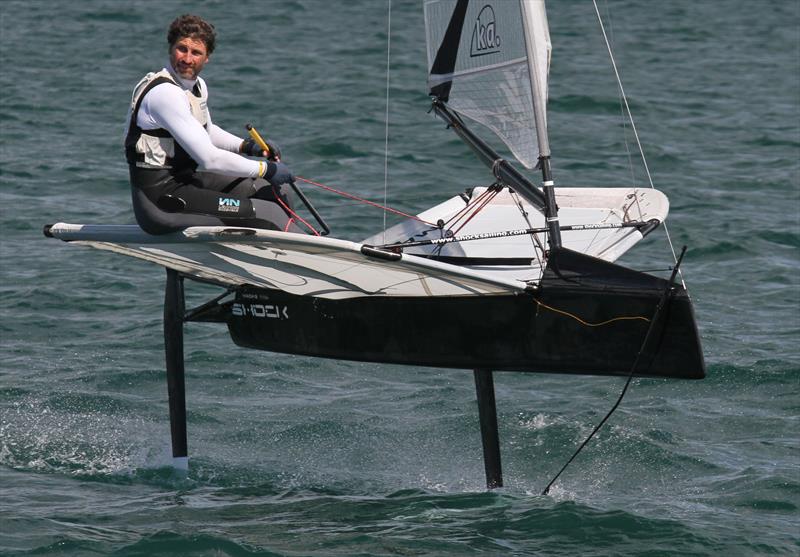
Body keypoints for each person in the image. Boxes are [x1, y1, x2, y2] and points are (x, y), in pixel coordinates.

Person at [124, 14, 301, 234]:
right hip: (160, 201)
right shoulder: (165, 93)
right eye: (182, 49)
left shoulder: (196, 87)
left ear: (207, 57)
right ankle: (304, 260)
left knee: (272, 189)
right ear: (170, 49)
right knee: (268, 213)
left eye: (196, 52)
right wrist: (266, 168)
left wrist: (247, 146)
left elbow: (205, 131)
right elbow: (210, 159)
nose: (187, 59)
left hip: (186, 182)